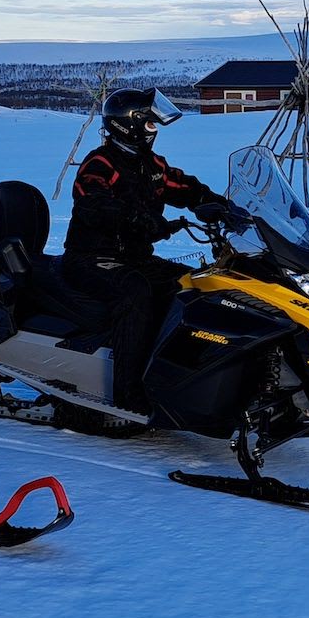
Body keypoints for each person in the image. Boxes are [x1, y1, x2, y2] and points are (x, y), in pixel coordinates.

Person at [62, 88, 226, 414]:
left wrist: (220, 206)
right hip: (91, 258)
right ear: (129, 125)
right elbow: (93, 202)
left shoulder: (152, 165)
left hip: (133, 257)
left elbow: (184, 186)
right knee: (134, 291)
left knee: (191, 284)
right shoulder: (100, 163)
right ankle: (129, 393)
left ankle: (177, 375)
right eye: (150, 124)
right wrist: (136, 218)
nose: (154, 131)